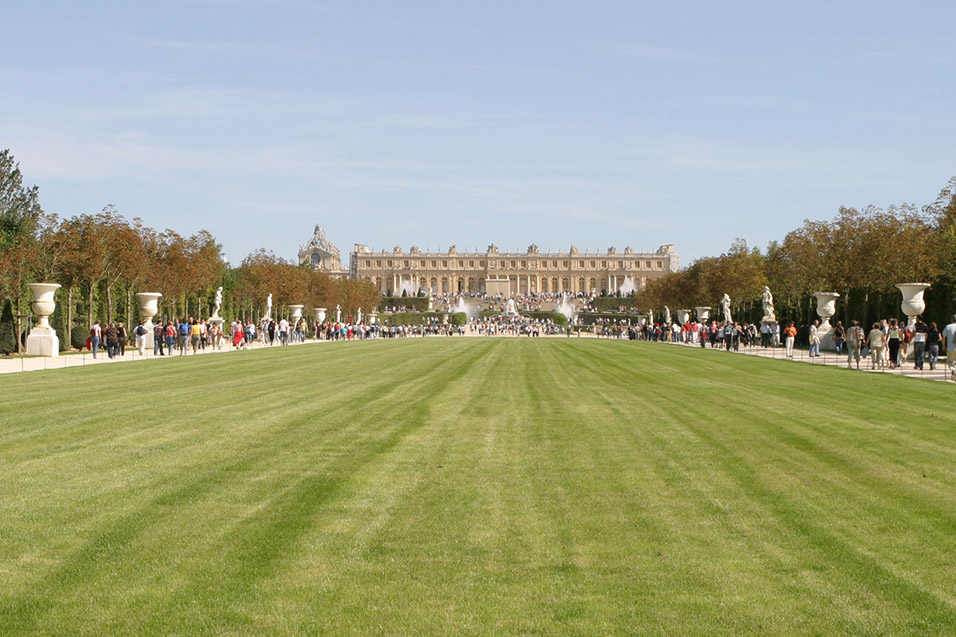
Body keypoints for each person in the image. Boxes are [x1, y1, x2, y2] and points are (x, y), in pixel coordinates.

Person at [941, 315, 956, 381]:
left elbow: (943, 336)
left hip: (950, 348)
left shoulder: (948, 326)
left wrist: (943, 345)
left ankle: (953, 371)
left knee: (950, 362)